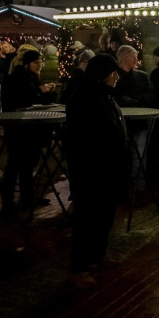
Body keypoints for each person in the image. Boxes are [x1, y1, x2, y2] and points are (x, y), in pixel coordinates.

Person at [65, 55, 128, 288]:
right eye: (113, 73)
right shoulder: (84, 99)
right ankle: (79, 267)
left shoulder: (106, 96)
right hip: (92, 171)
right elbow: (83, 141)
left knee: (104, 215)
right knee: (87, 219)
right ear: (103, 74)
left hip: (108, 170)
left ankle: (97, 256)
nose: (116, 77)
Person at [0, 49, 56, 214]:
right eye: (36, 62)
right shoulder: (14, 79)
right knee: (15, 165)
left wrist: (48, 93)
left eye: (41, 62)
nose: (40, 66)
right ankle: (8, 204)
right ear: (27, 64)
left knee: (29, 164)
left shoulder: (32, 78)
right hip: (18, 129)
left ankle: (28, 196)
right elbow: (21, 100)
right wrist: (41, 91)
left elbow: (36, 100)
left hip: (32, 128)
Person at [114, 45, 155, 203]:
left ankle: (139, 187)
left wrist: (139, 101)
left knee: (139, 156)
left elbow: (151, 93)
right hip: (122, 124)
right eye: (133, 56)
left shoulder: (142, 76)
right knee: (124, 156)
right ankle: (126, 187)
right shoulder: (114, 77)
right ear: (124, 58)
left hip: (138, 122)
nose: (136, 60)